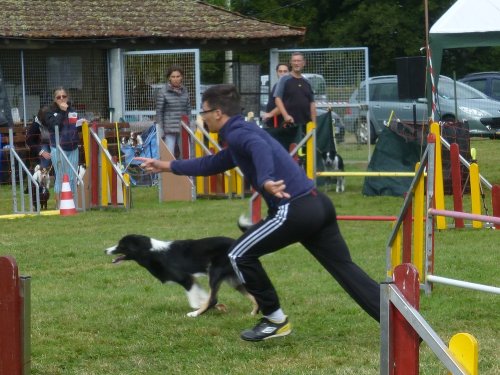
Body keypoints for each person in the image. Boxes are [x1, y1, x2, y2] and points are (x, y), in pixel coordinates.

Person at [137, 84, 380, 342]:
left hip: (294, 207)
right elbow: (212, 163)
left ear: (218, 113)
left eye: (204, 111)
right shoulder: (243, 130)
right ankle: (399, 319)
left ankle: (275, 320)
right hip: (317, 204)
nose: (202, 117)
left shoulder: (240, 133)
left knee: (238, 253)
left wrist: (265, 179)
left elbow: (258, 149)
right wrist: (166, 165)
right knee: (345, 269)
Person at [45, 87, 81, 208]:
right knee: (60, 176)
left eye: (64, 96)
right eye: (58, 97)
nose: (61, 99)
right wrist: (61, 111)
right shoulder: (49, 111)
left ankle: (72, 204)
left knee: (72, 177)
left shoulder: (72, 110)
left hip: (73, 148)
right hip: (57, 148)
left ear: (68, 97)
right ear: (55, 99)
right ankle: (59, 205)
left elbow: (74, 127)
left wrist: (82, 123)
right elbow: (54, 125)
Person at [155, 65, 191, 158]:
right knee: (169, 155)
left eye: (178, 76)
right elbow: (159, 112)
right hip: (169, 129)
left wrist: (189, 125)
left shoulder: (185, 91)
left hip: (183, 127)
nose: (175, 79)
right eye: (173, 76)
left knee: (187, 155)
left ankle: (186, 172)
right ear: (169, 78)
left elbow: (188, 109)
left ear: (182, 77)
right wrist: (161, 129)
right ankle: (169, 172)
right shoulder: (163, 92)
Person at [274, 52, 317, 126]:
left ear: (304, 63)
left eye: (299, 61)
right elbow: (277, 99)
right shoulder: (284, 79)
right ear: (291, 63)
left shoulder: (307, 82)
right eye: (294, 61)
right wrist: (286, 116)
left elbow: (312, 104)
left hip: (306, 124)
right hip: (290, 124)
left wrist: (314, 124)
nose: (296, 63)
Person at [262, 63, 289, 128]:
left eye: (285, 71)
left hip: (281, 123)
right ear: (277, 72)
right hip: (273, 123)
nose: (282, 73)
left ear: (289, 73)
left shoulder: (288, 86)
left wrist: (270, 114)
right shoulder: (277, 85)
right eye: (280, 71)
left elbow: (285, 105)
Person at [26, 105, 52, 170]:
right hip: (41, 143)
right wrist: (41, 151)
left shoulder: (54, 119)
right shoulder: (36, 124)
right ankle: (41, 175)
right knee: (46, 156)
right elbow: (29, 140)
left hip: (54, 143)